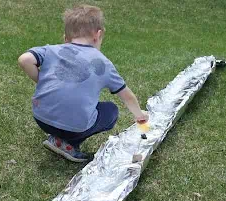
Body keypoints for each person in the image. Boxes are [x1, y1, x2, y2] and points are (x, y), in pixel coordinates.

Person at [18, 4, 149, 162]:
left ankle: (58, 137)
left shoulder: (51, 50)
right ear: (98, 35)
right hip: (75, 127)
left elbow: (25, 60)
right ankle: (69, 143)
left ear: (65, 38)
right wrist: (140, 116)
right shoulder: (102, 63)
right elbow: (127, 96)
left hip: (41, 118)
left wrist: (41, 80)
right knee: (111, 111)